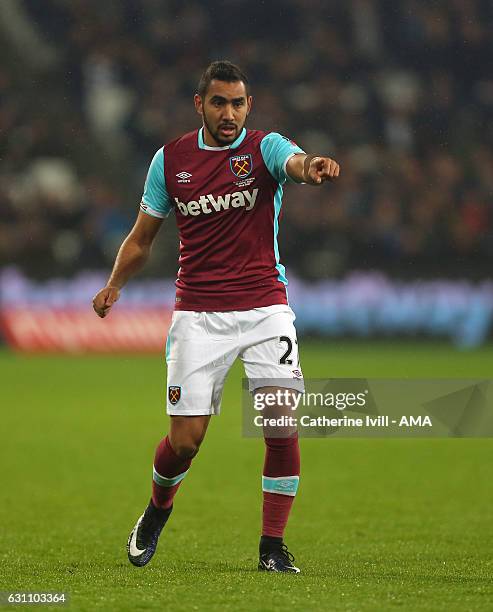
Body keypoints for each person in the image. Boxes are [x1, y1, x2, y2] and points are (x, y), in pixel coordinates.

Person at [92, 60, 340, 573]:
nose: (230, 114)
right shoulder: (170, 160)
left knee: (279, 423)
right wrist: (115, 283)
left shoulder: (264, 147)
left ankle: (272, 546)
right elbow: (142, 239)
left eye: (239, 103)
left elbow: (294, 161)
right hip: (199, 314)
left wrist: (310, 167)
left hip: (265, 307)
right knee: (185, 443)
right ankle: (157, 510)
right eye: (220, 102)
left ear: (249, 105)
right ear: (199, 104)